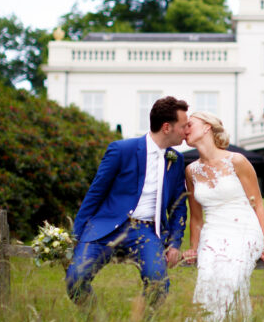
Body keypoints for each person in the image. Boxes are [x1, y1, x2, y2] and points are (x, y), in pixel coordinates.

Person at [66, 97, 189, 308]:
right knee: (75, 279)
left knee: (158, 282)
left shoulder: (176, 160)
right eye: (183, 126)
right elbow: (95, 194)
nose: (187, 131)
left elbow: (178, 206)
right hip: (106, 227)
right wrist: (76, 236)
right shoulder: (121, 150)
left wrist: (175, 243)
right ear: (167, 127)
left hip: (146, 232)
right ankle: (94, 320)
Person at [182, 111, 264, 322]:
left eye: (189, 124)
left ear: (207, 127)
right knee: (206, 285)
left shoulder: (237, 161)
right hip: (212, 234)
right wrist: (193, 247)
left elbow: (258, 206)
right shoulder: (191, 171)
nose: (184, 129)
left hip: (244, 230)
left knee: (229, 282)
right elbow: (196, 218)